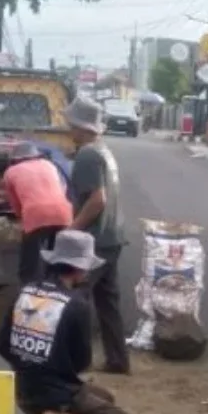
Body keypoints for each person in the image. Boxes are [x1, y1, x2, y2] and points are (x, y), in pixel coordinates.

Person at [0, 229, 137, 414]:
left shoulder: (24, 292)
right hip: (59, 393)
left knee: (105, 397)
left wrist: (28, 364)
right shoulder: (77, 305)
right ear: (80, 269)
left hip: (24, 391)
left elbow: (3, 344)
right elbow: (82, 361)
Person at [65, 96, 131, 375]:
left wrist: (72, 229)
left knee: (74, 299)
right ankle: (118, 360)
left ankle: (75, 361)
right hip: (113, 237)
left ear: (80, 126)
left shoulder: (87, 155)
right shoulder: (104, 151)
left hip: (93, 241)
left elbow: (97, 200)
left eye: (71, 123)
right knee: (108, 302)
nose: (68, 128)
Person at [2, 141, 73, 283]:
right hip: (64, 213)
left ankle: (30, 292)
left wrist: (22, 219)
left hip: (35, 215)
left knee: (30, 262)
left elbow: (15, 204)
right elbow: (63, 189)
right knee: (57, 257)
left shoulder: (10, 172)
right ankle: (56, 289)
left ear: (15, 159)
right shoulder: (50, 165)